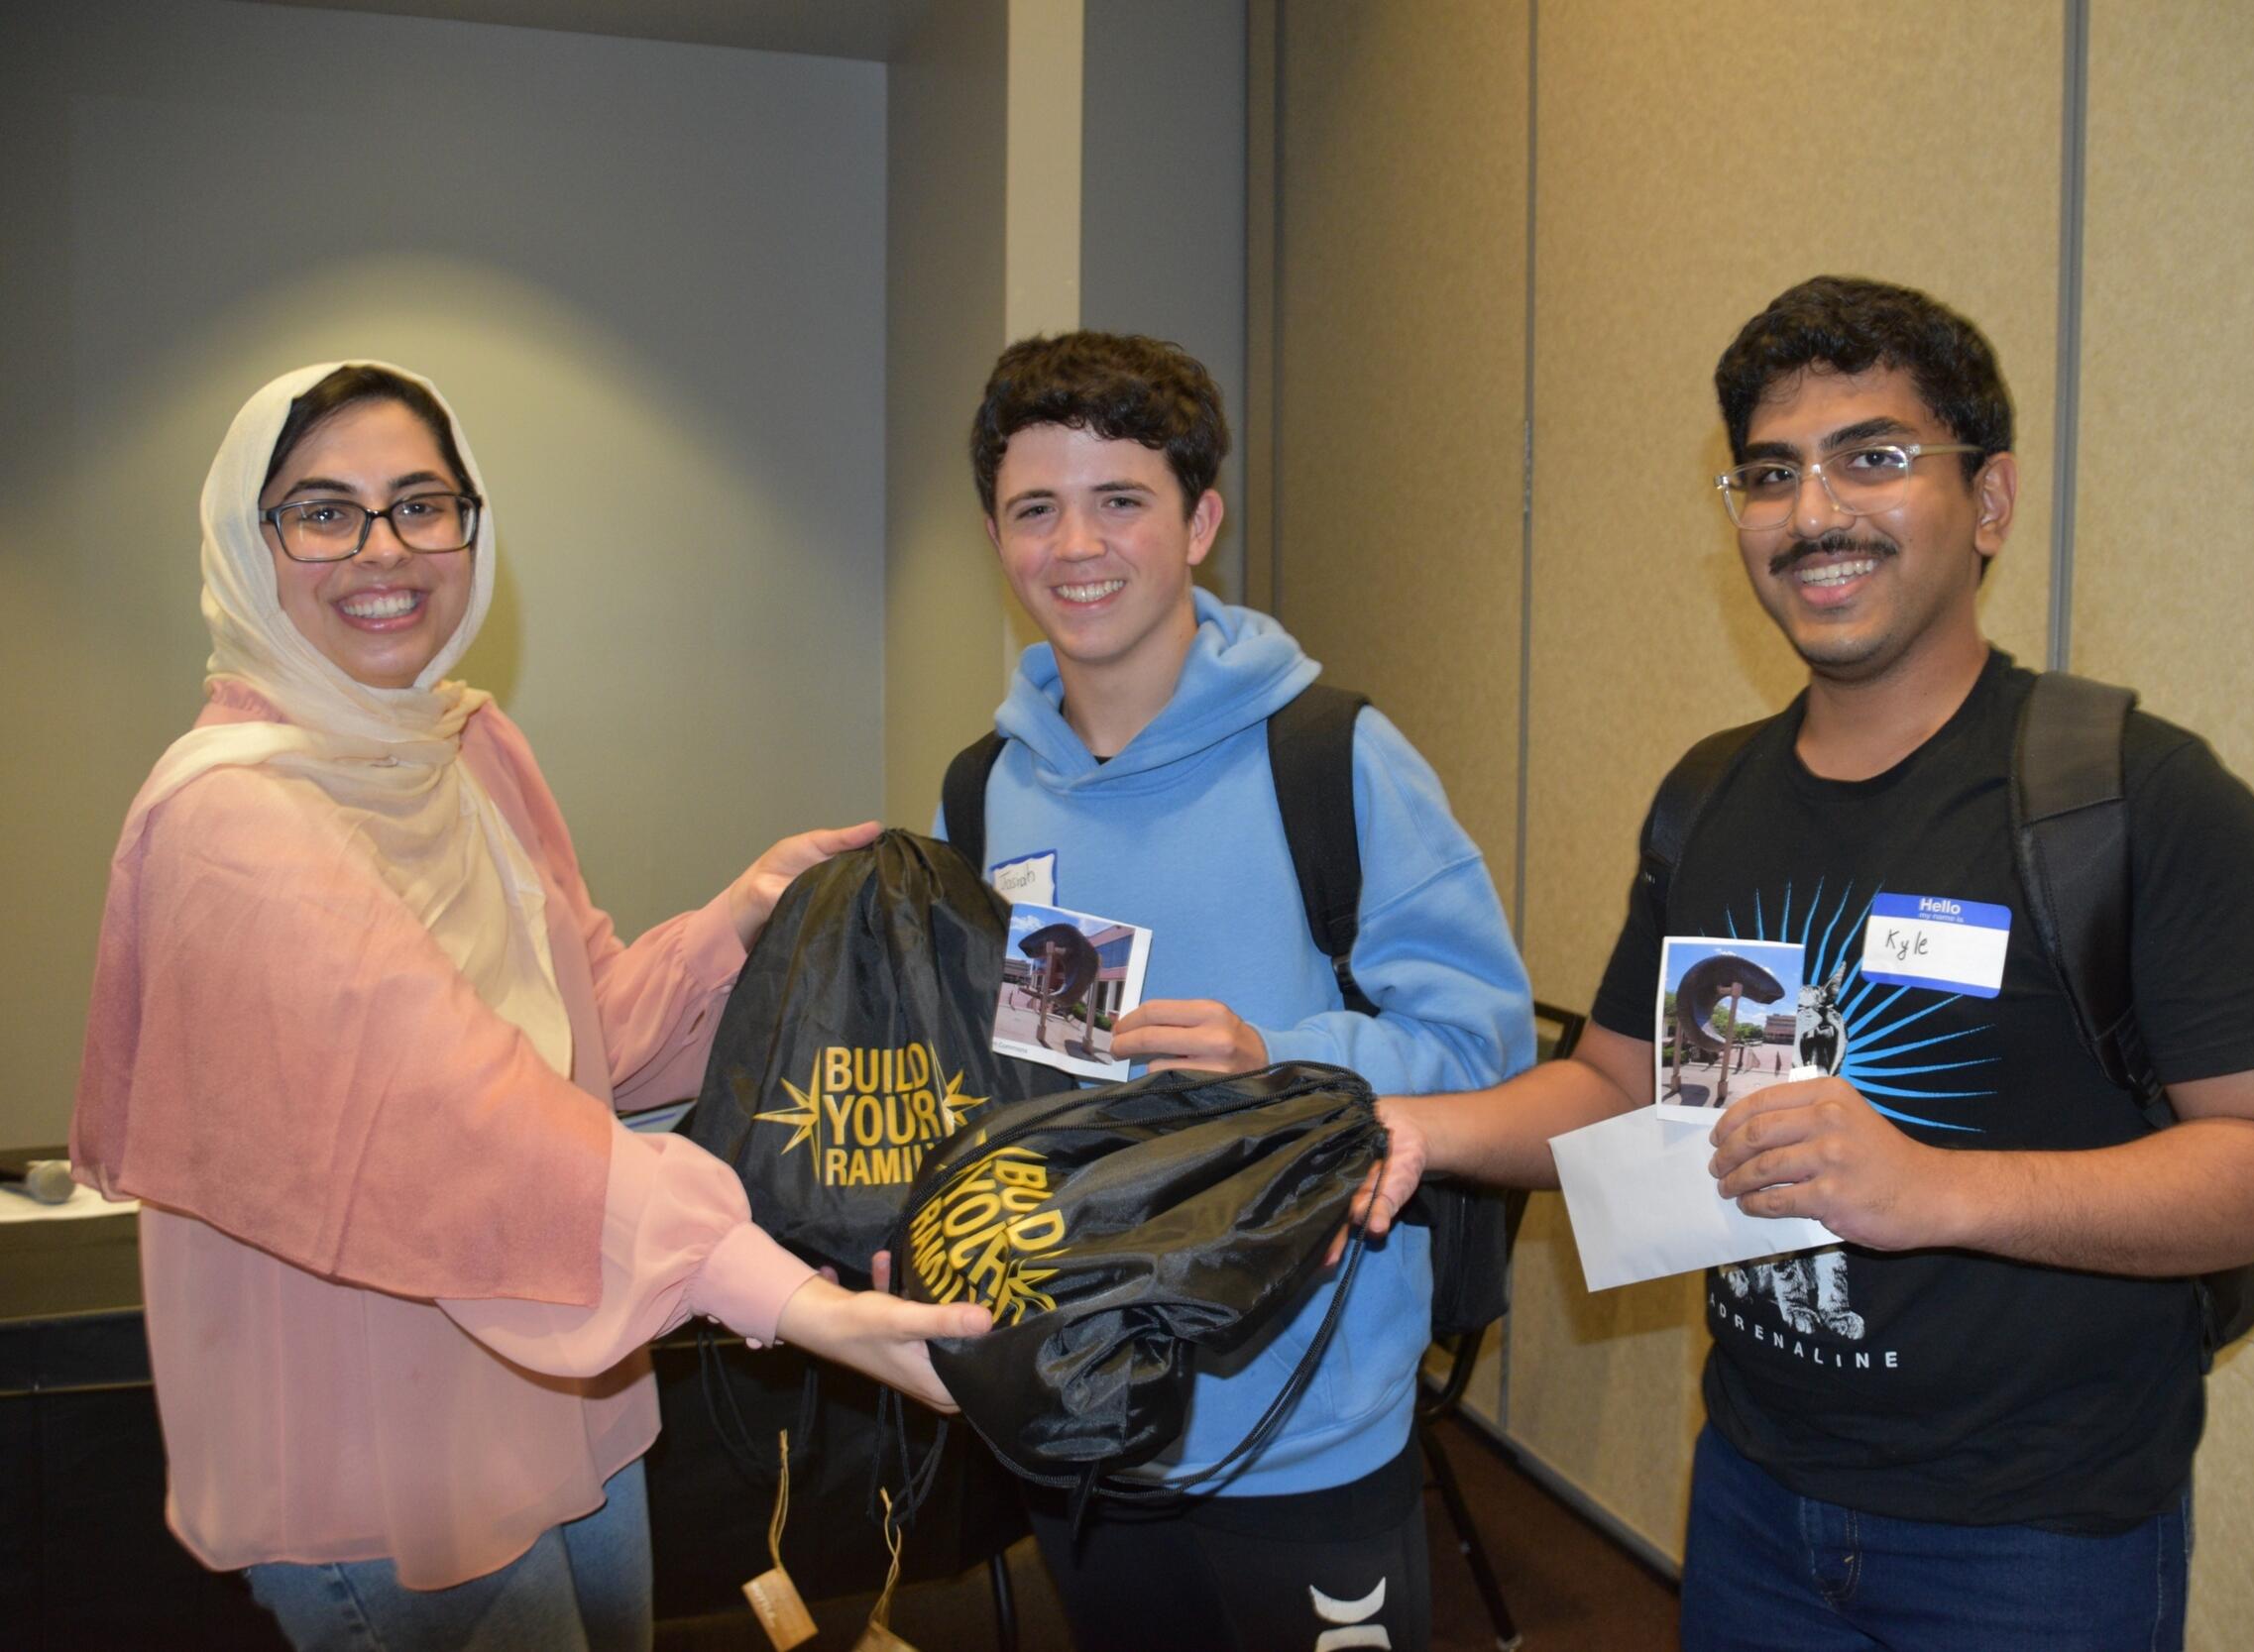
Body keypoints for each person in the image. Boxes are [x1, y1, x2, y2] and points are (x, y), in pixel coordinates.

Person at [1364, 277, 2254, 1649]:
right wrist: (1421, 1129)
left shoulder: (2132, 793)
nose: (1814, 512)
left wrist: (1934, 1191)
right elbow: (1612, 1085)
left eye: (1875, 457)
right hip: (1755, 1498)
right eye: (1772, 474)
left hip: (2036, 1536)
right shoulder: (1708, 797)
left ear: (1991, 503)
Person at [69, 362, 990, 1652]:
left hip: (562, 1389)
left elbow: (578, 1034)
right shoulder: (229, 819)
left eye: (420, 503)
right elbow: (459, 1113)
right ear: (247, 540)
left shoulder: (465, 748)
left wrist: (742, 918)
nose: (382, 550)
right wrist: (792, 1300)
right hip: (382, 1454)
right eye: (322, 511)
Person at [950, 331, 1534, 1652]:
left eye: (1122, 501)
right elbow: (1017, 1077)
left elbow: (1486, 1044)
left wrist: (1282, 1053)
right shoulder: (986, 790)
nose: (1077, 545)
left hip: (1305, 1420)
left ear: (1200, 521)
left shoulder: (1334, 758)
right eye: (1035, 509)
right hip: (1083, 1406)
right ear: (996, 535)